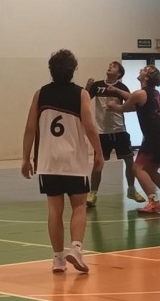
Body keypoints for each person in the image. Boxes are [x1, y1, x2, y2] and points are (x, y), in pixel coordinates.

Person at [22, 49, 105, 274]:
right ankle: (76, 249)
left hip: (48, 161)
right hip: (73, 161)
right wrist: (99, 152)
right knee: (79, 206)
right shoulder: (81, 94)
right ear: (74, 69)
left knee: (54, 210)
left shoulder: (40, 94)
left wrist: (25, 158)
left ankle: (58, 259)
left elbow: (30, 127)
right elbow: (90, 126)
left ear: (51, 69)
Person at [106, 66, 160, 215]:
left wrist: (113, 106)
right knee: (151, 171)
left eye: (145, 69)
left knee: (137, 168)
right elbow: (133, 100)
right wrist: (116, 90)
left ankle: (154, 202)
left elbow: (124, 107)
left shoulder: (140, 94)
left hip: (155, 136)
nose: (141, 69)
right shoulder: (153, 93)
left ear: (147, 77)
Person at [85, 61, 145, 207]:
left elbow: (132, 100)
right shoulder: (97, 85)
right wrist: (87, 87)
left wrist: (116, 91)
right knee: (98, 163)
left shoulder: (121, 87)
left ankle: (131, 190)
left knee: (129, 162)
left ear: (119, 73)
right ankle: (92, 194)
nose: (110, 67)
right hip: (102, 132)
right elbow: (84, 99)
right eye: (110, 65)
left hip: (120, 131)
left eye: (114, 66)